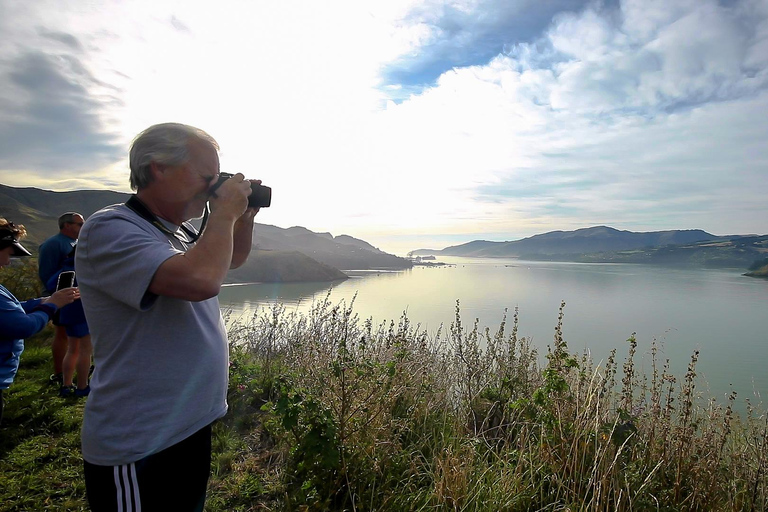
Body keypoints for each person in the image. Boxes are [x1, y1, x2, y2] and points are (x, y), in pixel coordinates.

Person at [76, 123, 260, 511]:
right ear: (158, 168)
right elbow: (200, 281)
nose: (213, 187)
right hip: (140, 440)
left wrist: (243, 218)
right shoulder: (112, 228)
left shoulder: (177, 234)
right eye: (207, 177)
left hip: (186, 426)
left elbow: (231, 261)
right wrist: (223, 213)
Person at [1, 218, 78, 425]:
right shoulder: (55, 245)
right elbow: (24, 326)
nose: (7, 262)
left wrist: (39, 302)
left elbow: (10, 309)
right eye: (7, 254)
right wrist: (51, 304)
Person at [38, 212, 84, 386]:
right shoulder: (52, 244)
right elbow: (46, 273)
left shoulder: (75, 243)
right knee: (63, 334)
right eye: (79, 224)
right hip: (59, 297)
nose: (82, 227)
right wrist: (53, 298)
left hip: (74, 297)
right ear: (67, 225)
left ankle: (73, 371)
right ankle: (59, 374)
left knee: (77, 337)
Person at [46, 245, 92, 398]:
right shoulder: (87, 268)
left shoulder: (64, 269)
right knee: (85, 351)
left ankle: (66, 385)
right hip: (83, 314)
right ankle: (82, 386)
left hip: (67, 314)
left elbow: (51, 284)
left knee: (72, 350)